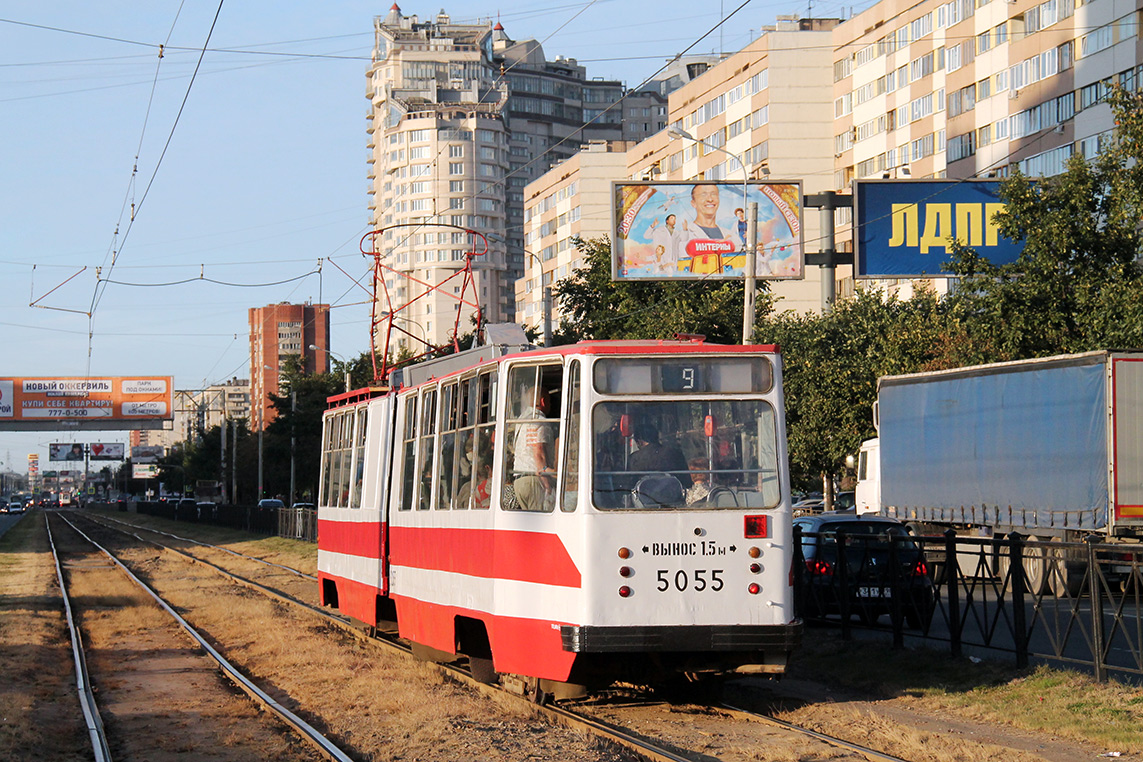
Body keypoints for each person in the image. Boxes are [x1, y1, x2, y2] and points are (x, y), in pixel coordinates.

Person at [511, 384, 555, 511]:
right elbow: (538, 453)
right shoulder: (540, 420)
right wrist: (547, 486)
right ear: (543, 401)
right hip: (535, 480)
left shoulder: (521, 420)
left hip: (519, 479)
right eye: (549, 401)